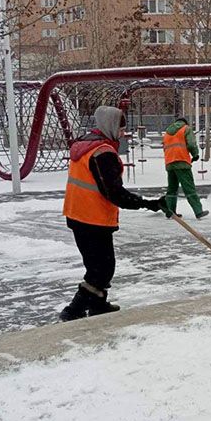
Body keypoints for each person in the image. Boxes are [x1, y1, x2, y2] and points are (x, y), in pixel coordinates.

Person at [61, 105, 169, 321]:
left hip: (78, 214)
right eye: (120, 129)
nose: (122, 133)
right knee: (101, 268)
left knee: (98, 265)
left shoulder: (86, 144)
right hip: (92, 218)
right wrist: (148, 204)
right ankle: (74, 310)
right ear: (109, 125)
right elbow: (114, 193)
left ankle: (98, 304)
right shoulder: (102, 153)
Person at [162, 116, 209, 219]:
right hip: (182, 161)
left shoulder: (167, 132)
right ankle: (198, 211)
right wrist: (195, 154)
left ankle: (171, 212)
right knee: (189, 187)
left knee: (172, 188)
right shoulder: (186, 129)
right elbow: (191, 144)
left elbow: (165, 147)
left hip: (169, 163)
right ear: (185, 123)